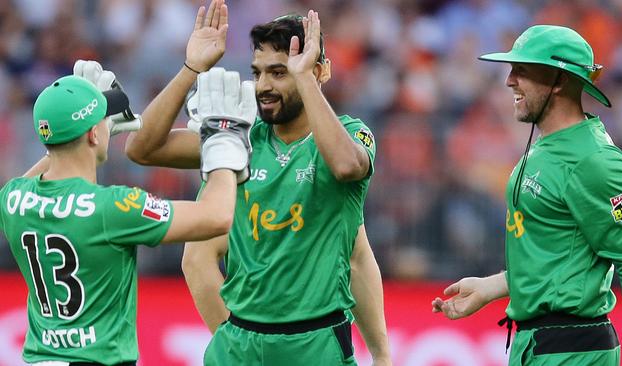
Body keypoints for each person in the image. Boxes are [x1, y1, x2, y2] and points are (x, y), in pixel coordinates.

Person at [125, 1, 391, 364]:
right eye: (259, 72)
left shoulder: (352, 135)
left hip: (315, 344)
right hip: (239, 341)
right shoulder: (242, 137)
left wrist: (303, 78)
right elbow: (142, 148)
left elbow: (346, 166)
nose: (263, 85)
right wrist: (192, 68)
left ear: (320, 71)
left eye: (279, 73)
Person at [1, 8, 257, 362]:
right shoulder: (115, 208)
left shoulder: (15, 199)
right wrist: (224, 142)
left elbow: (50, 157)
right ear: (93, 133)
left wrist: (190, 69)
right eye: (102, 120)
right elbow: (215, 217)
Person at [432, 25, 622, 366]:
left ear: (559, 81)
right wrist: (492, 287)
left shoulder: (595, 160)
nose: (509, 81)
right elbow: (559, 254)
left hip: (573, 350)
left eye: (523, 70)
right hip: (537, 345)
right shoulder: (546, 146)